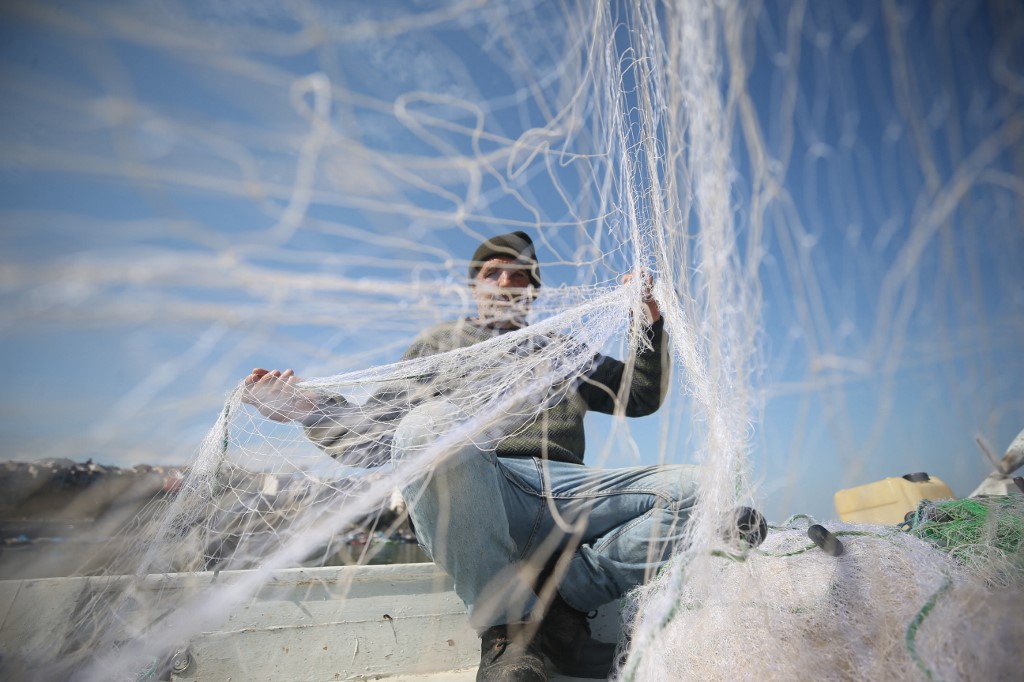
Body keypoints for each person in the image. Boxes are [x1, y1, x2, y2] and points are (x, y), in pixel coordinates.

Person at [242, 231, 700, 682]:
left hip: (565, 493)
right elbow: (374, 439)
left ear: (533, 292)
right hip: (482, 491)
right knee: (425, 423)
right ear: (474, 284)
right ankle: (507, 632)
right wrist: (312, 410)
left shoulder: (564, 349)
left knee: (698, 490)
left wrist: (649, 323)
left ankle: (564, 601)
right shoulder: (439, 343)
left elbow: (639, 396)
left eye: (519, 275)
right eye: (492, 272)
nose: (504, 282)